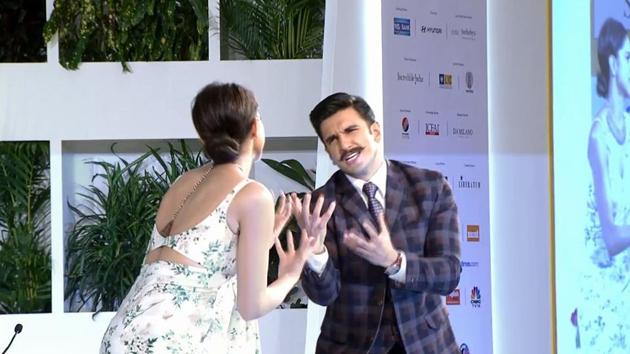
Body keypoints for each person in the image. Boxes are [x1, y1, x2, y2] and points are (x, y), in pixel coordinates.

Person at [100, 82, 320, 353]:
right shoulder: (252, 194)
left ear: (205, 137)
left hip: (123, 335)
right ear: (254, 128)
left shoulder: (182, 182)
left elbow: (196, 262)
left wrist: (263, 239)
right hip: (174, 341)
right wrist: (291, 274)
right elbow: (251, 307)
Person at [290, 92, 462, 353]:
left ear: (376, 131)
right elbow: (324, 295)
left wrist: (395, 261)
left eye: (351, 130)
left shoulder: (430, 187)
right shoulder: (318, 206)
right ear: (328, 151)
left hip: (426, 344)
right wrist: (315, 253)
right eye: (333, 139)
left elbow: (448, 274)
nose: (345, 145)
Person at [580, 17, 630, 353]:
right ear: (613, 63)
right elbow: (612, 239)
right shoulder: (598, 138)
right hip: (605, 304)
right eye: (629, 58)